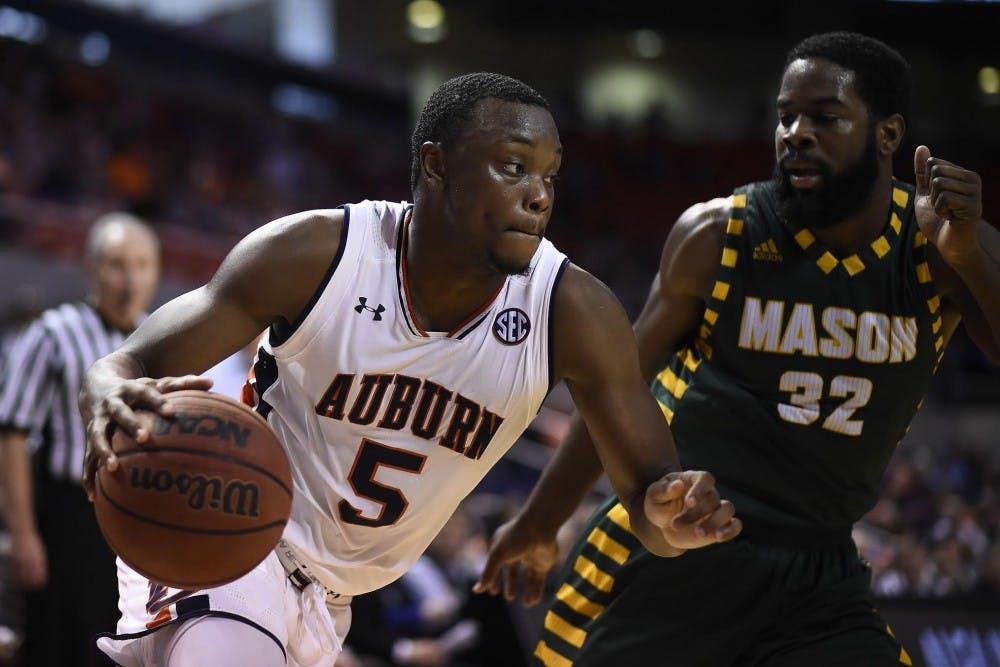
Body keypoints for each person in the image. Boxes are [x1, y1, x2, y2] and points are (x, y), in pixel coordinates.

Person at [78, 72, 743, 667]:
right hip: (223, 533)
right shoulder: (314, 255)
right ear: (437, 165)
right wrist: (105, 390)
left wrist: (674, 522)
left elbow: (655, 508)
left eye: (549, 175)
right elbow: (126, 363)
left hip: (334, 602)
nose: (538, 194)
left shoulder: (574, 311)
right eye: (513, 167)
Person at [475, 32, 1000, 666]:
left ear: (888, 135)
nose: (796, 133)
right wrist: (538, 523)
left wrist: (970, 258)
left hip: (819, 568)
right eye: (786, 117)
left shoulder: (940, 247)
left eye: (825, 118)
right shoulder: (718, 234)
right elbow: (616, 395)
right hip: (678, 547)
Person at [0, 212, 160, 666]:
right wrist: (24, 534)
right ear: (91, 268)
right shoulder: (52, 333)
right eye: (117, 264)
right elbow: (10, 434)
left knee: (117, 650)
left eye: (142, 265)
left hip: (135, 524)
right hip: (67, 513)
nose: (130, 279)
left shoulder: (163, 338)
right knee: (55, 647)